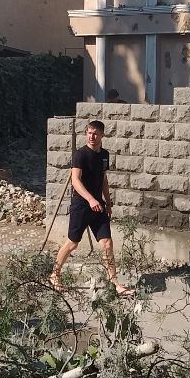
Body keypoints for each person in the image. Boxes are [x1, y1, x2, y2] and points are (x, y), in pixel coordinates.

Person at [50, 120, 133, 297]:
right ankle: (54, 275)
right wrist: (90, 199)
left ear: (102, 135)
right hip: (81, 205)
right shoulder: (80, 155)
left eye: (95, 133)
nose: (91, 136)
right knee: (72, 243)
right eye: (89, 132)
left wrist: (107, 203)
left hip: (98, 206)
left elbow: (103, 179)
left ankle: (114, 283)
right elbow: (75, 180)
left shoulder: (104, 155)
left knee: (107, 243)